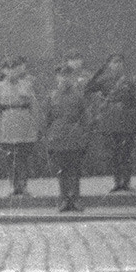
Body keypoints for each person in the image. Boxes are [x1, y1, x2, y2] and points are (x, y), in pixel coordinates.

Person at [88, 53, 136, 193]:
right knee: (114, 154)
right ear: (109, 65)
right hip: (111, 121)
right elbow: (89, 87)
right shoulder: (104, 80)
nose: (117, 64)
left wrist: (134, 124)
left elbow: (134, 103)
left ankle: (126, 183)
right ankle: (117, 182)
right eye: (114, 62)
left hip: (126, 121)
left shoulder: (129, 81)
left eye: (120, 62)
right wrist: (99, 71)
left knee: (126, 154)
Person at [0, 58, 39, 197]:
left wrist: (35, 126)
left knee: (23, 157)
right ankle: (13, 186)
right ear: (4, 71)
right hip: (7, 123)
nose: (12, 72)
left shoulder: (27, 85)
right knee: (10, 157)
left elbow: (34, 107)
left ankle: (23, 185)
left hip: (24, 123)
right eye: (9, 69)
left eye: (15, 68)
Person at [47, 63, 92, 212]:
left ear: (71, 77)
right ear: (57, 78)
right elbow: (46, 119)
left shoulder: (78, 96)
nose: (64, 79)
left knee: (75, 171)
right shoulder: (52, 96)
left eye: (67, 76)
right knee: (61, 171)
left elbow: (85, 118)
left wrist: (84, 136)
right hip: (58, 137)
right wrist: (49, 138)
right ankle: (63, 199)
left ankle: (76, 199)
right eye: (62, 76)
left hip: (74, 137)